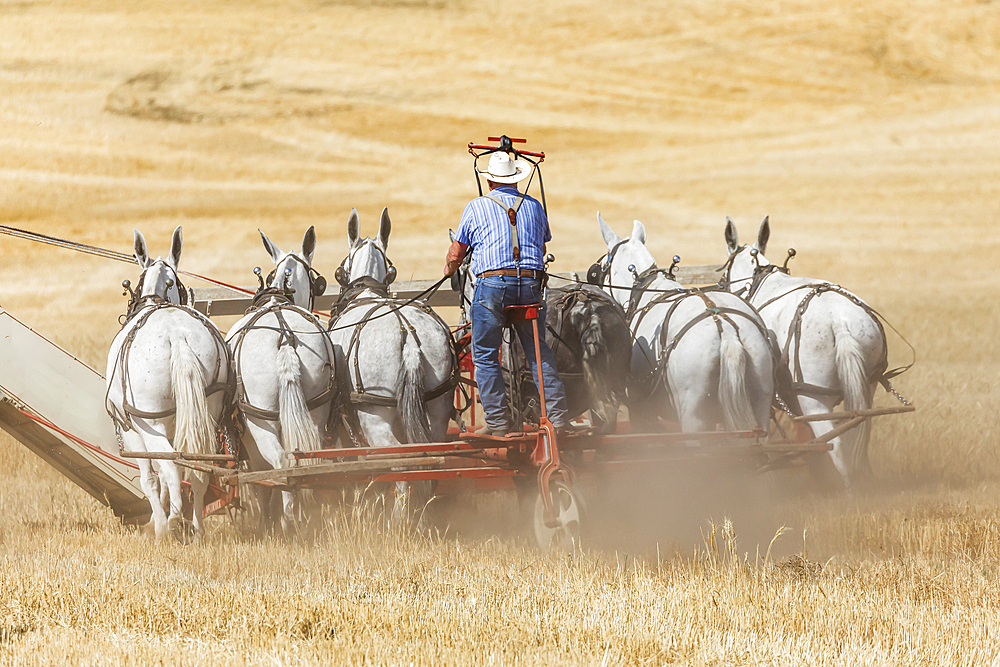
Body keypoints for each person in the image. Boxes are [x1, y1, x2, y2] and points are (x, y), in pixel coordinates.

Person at [444, 151, 568, 436]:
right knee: (539, 353)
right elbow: (542, 247)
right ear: (515, 180)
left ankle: (498, 423)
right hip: (530, 287)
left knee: (486, 354)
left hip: (494, 288)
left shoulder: (476, 207)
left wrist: (449, 270)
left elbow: (457, 251)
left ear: (489, 182)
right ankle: (558, 418)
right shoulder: (535, 207)